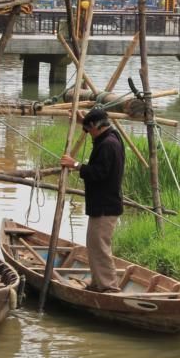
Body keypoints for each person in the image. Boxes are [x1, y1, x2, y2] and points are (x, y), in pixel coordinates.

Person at [59, 109, 125, 293]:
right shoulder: (111, 136)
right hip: (103, 204)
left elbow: (99, 173)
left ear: (96, 126)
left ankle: (109, 287)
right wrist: (84, 122)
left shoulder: (108, 145)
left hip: (105, 206)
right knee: (94, 245)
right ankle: (97, 282)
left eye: (89, 130)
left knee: (100, 247)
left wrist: (75, 165)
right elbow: (97, 138)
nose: (88, 134)